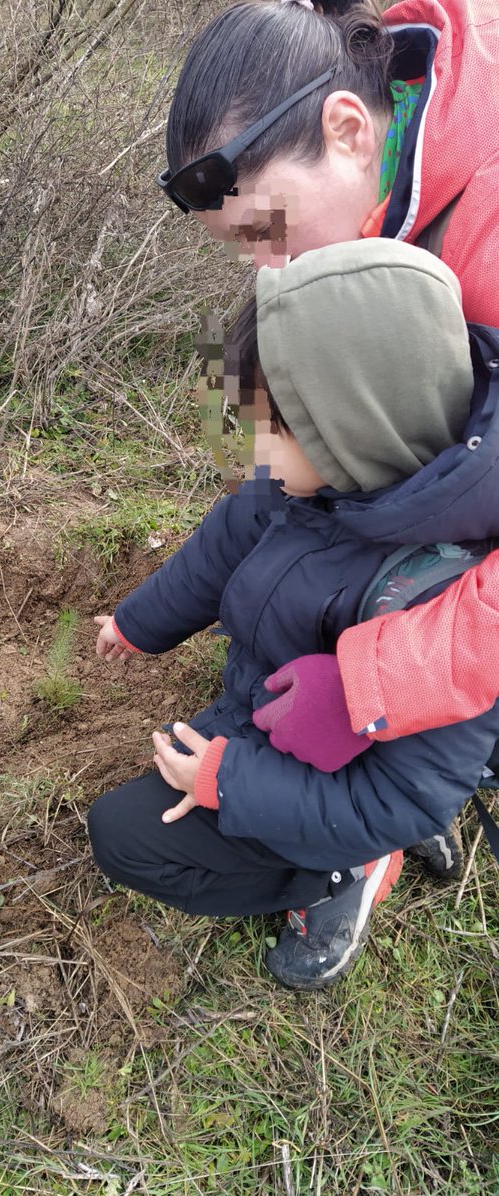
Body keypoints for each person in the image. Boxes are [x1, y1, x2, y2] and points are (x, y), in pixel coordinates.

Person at [88, 238, 499, 989]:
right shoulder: (301, 486)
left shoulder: (440, 598)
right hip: (269, 713)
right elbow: (216, 553)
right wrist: (137, 624)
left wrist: (228, 781)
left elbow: (401, 795)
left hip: (341, 778)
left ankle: (339, 877)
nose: (245, 453)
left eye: (264, 431)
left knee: (124, 840)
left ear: (350, 429)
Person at [156, 0, 499, 868]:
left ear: (347, 130)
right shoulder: (370, 140)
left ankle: (408, 804)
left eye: (265, 233)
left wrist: (365, 686)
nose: (266, 272)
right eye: (238, 247)